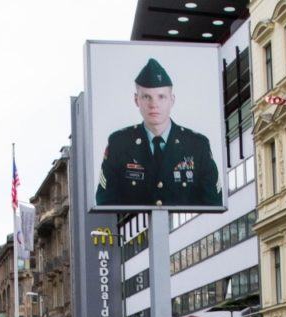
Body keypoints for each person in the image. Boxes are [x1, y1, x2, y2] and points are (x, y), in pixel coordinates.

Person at [95, 58, 221, 208]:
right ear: (136, 100)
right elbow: (105, 202)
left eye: (161, 97)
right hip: (136, 230)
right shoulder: (119, 144)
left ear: (172, 100)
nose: (154, 104)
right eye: (146, 97)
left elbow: (214, 203)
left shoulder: (197, 145)